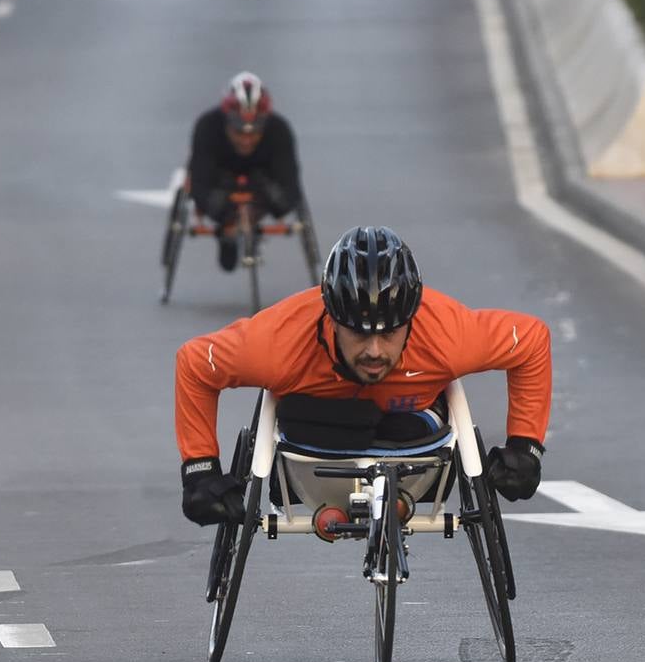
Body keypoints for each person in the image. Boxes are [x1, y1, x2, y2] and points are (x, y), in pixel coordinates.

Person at [175, 226, 552, 527]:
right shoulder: (278, 341)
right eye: (358, 332)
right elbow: (195, 363)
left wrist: (525, 447)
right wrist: (200, 469)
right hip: (311, 449)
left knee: (416, 425)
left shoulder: (447, 333)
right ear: (333, 319)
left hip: (413, 446)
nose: (374, 350)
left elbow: (531, 340)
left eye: (389, 333)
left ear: (410, 321)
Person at [187, 72, 303, 272]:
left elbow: (291, 188)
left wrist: (261, 208)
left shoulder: (279, 130)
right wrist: (225, 216)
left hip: (262, 183)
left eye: (254, 132)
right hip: (220, 181)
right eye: (239, 131)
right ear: (227, 123)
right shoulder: (207, 126)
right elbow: (198, 185)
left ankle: (248, 225)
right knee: (208, 193)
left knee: (280, 195)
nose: (246, 140)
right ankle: (227, 235)